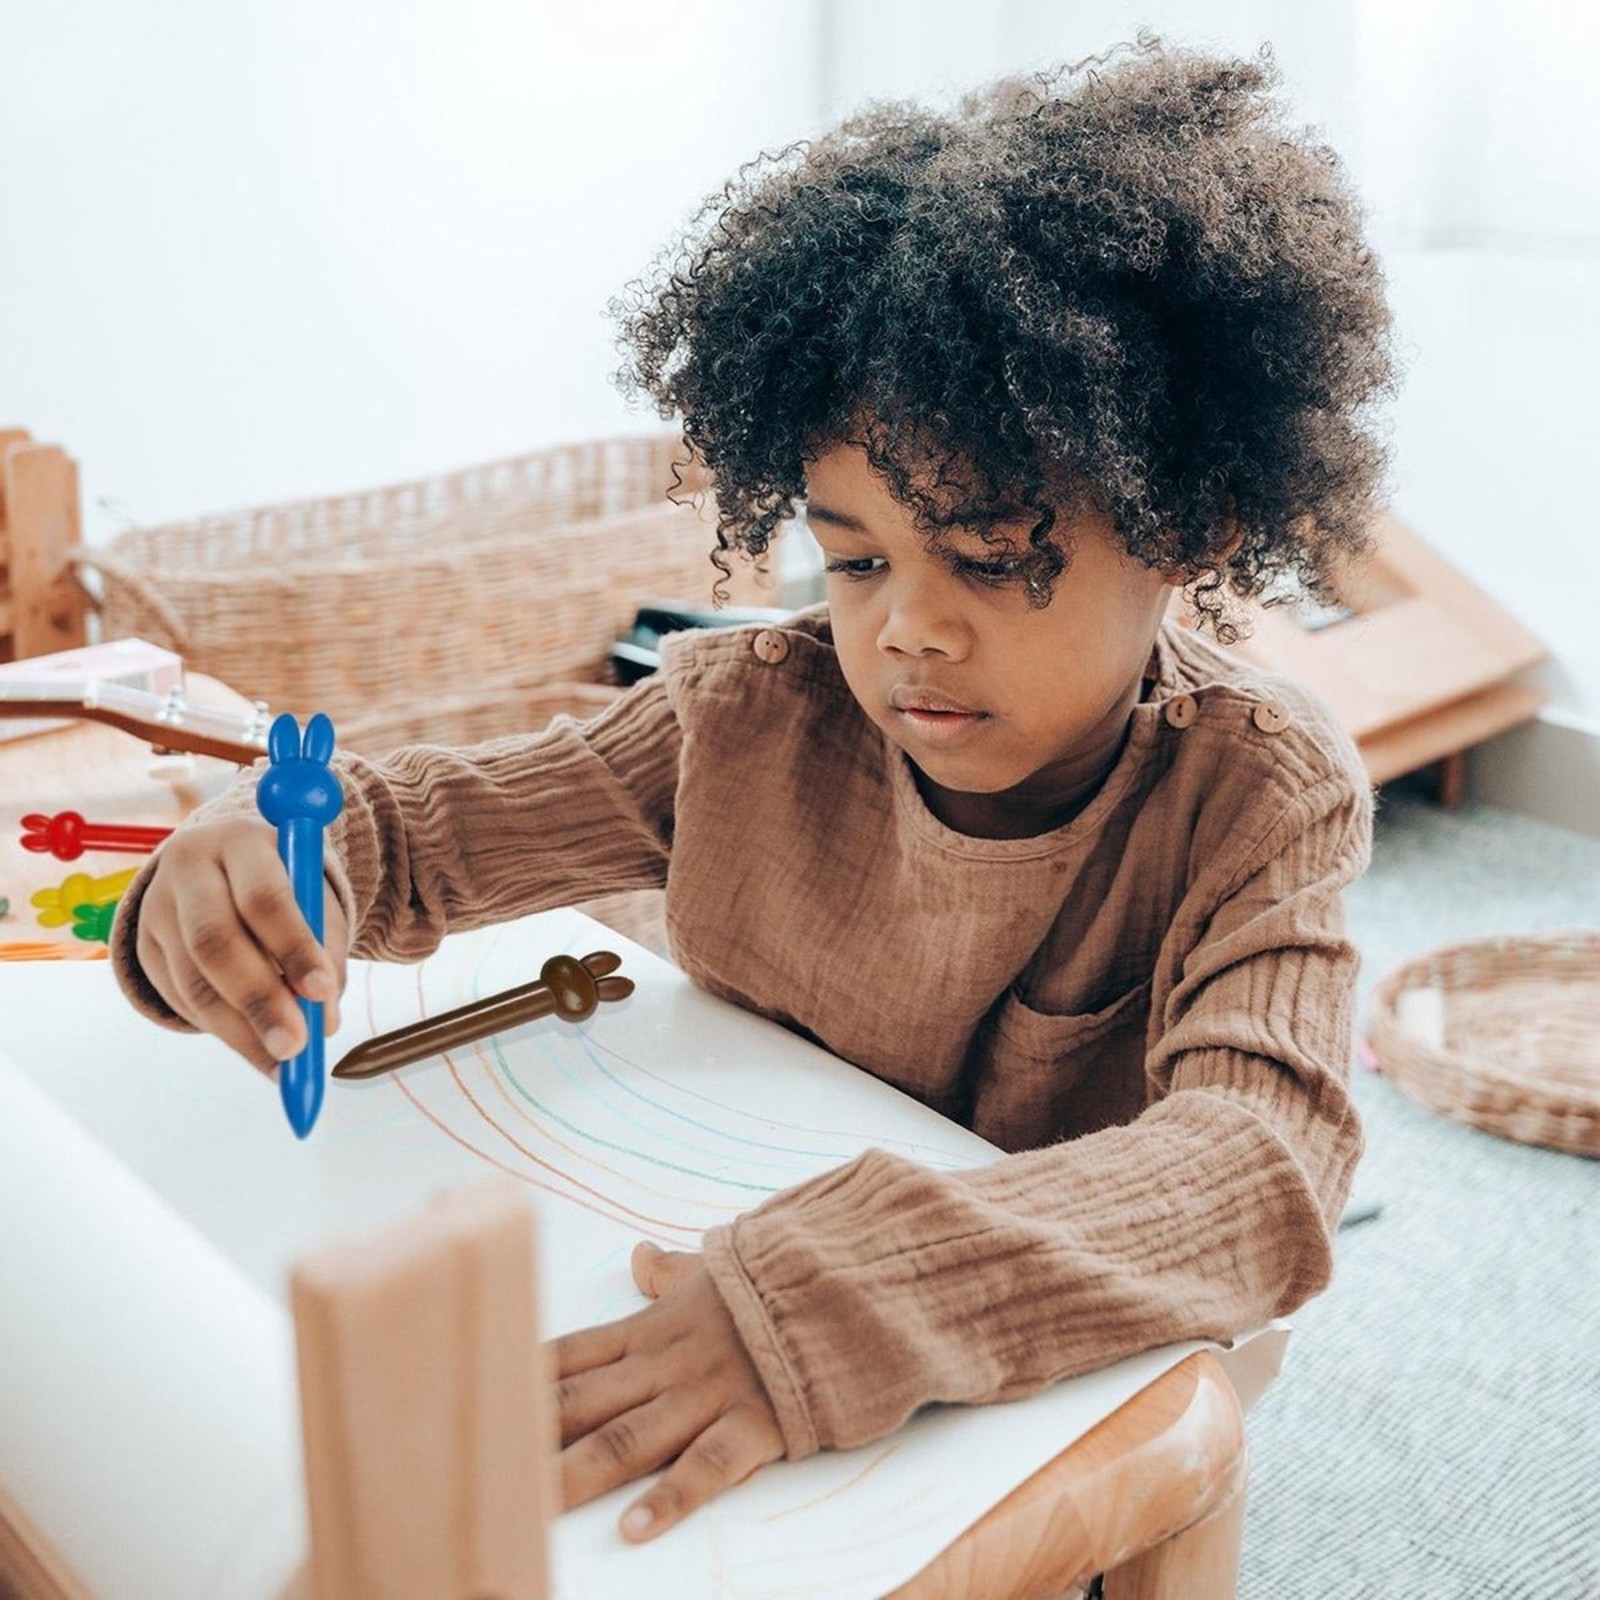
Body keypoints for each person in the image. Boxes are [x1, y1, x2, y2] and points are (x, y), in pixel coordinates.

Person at [110, 34, 1400, 1546]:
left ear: (1192, 526)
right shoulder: (748, 714)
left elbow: (1262, 1170)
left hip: (1039, 1345)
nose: (907, 628)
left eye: (993, 560)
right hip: (719, 1269)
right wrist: (267, 863)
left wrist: (852, 1292)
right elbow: (418, 834)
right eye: (854, 560)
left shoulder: (1259, 788)